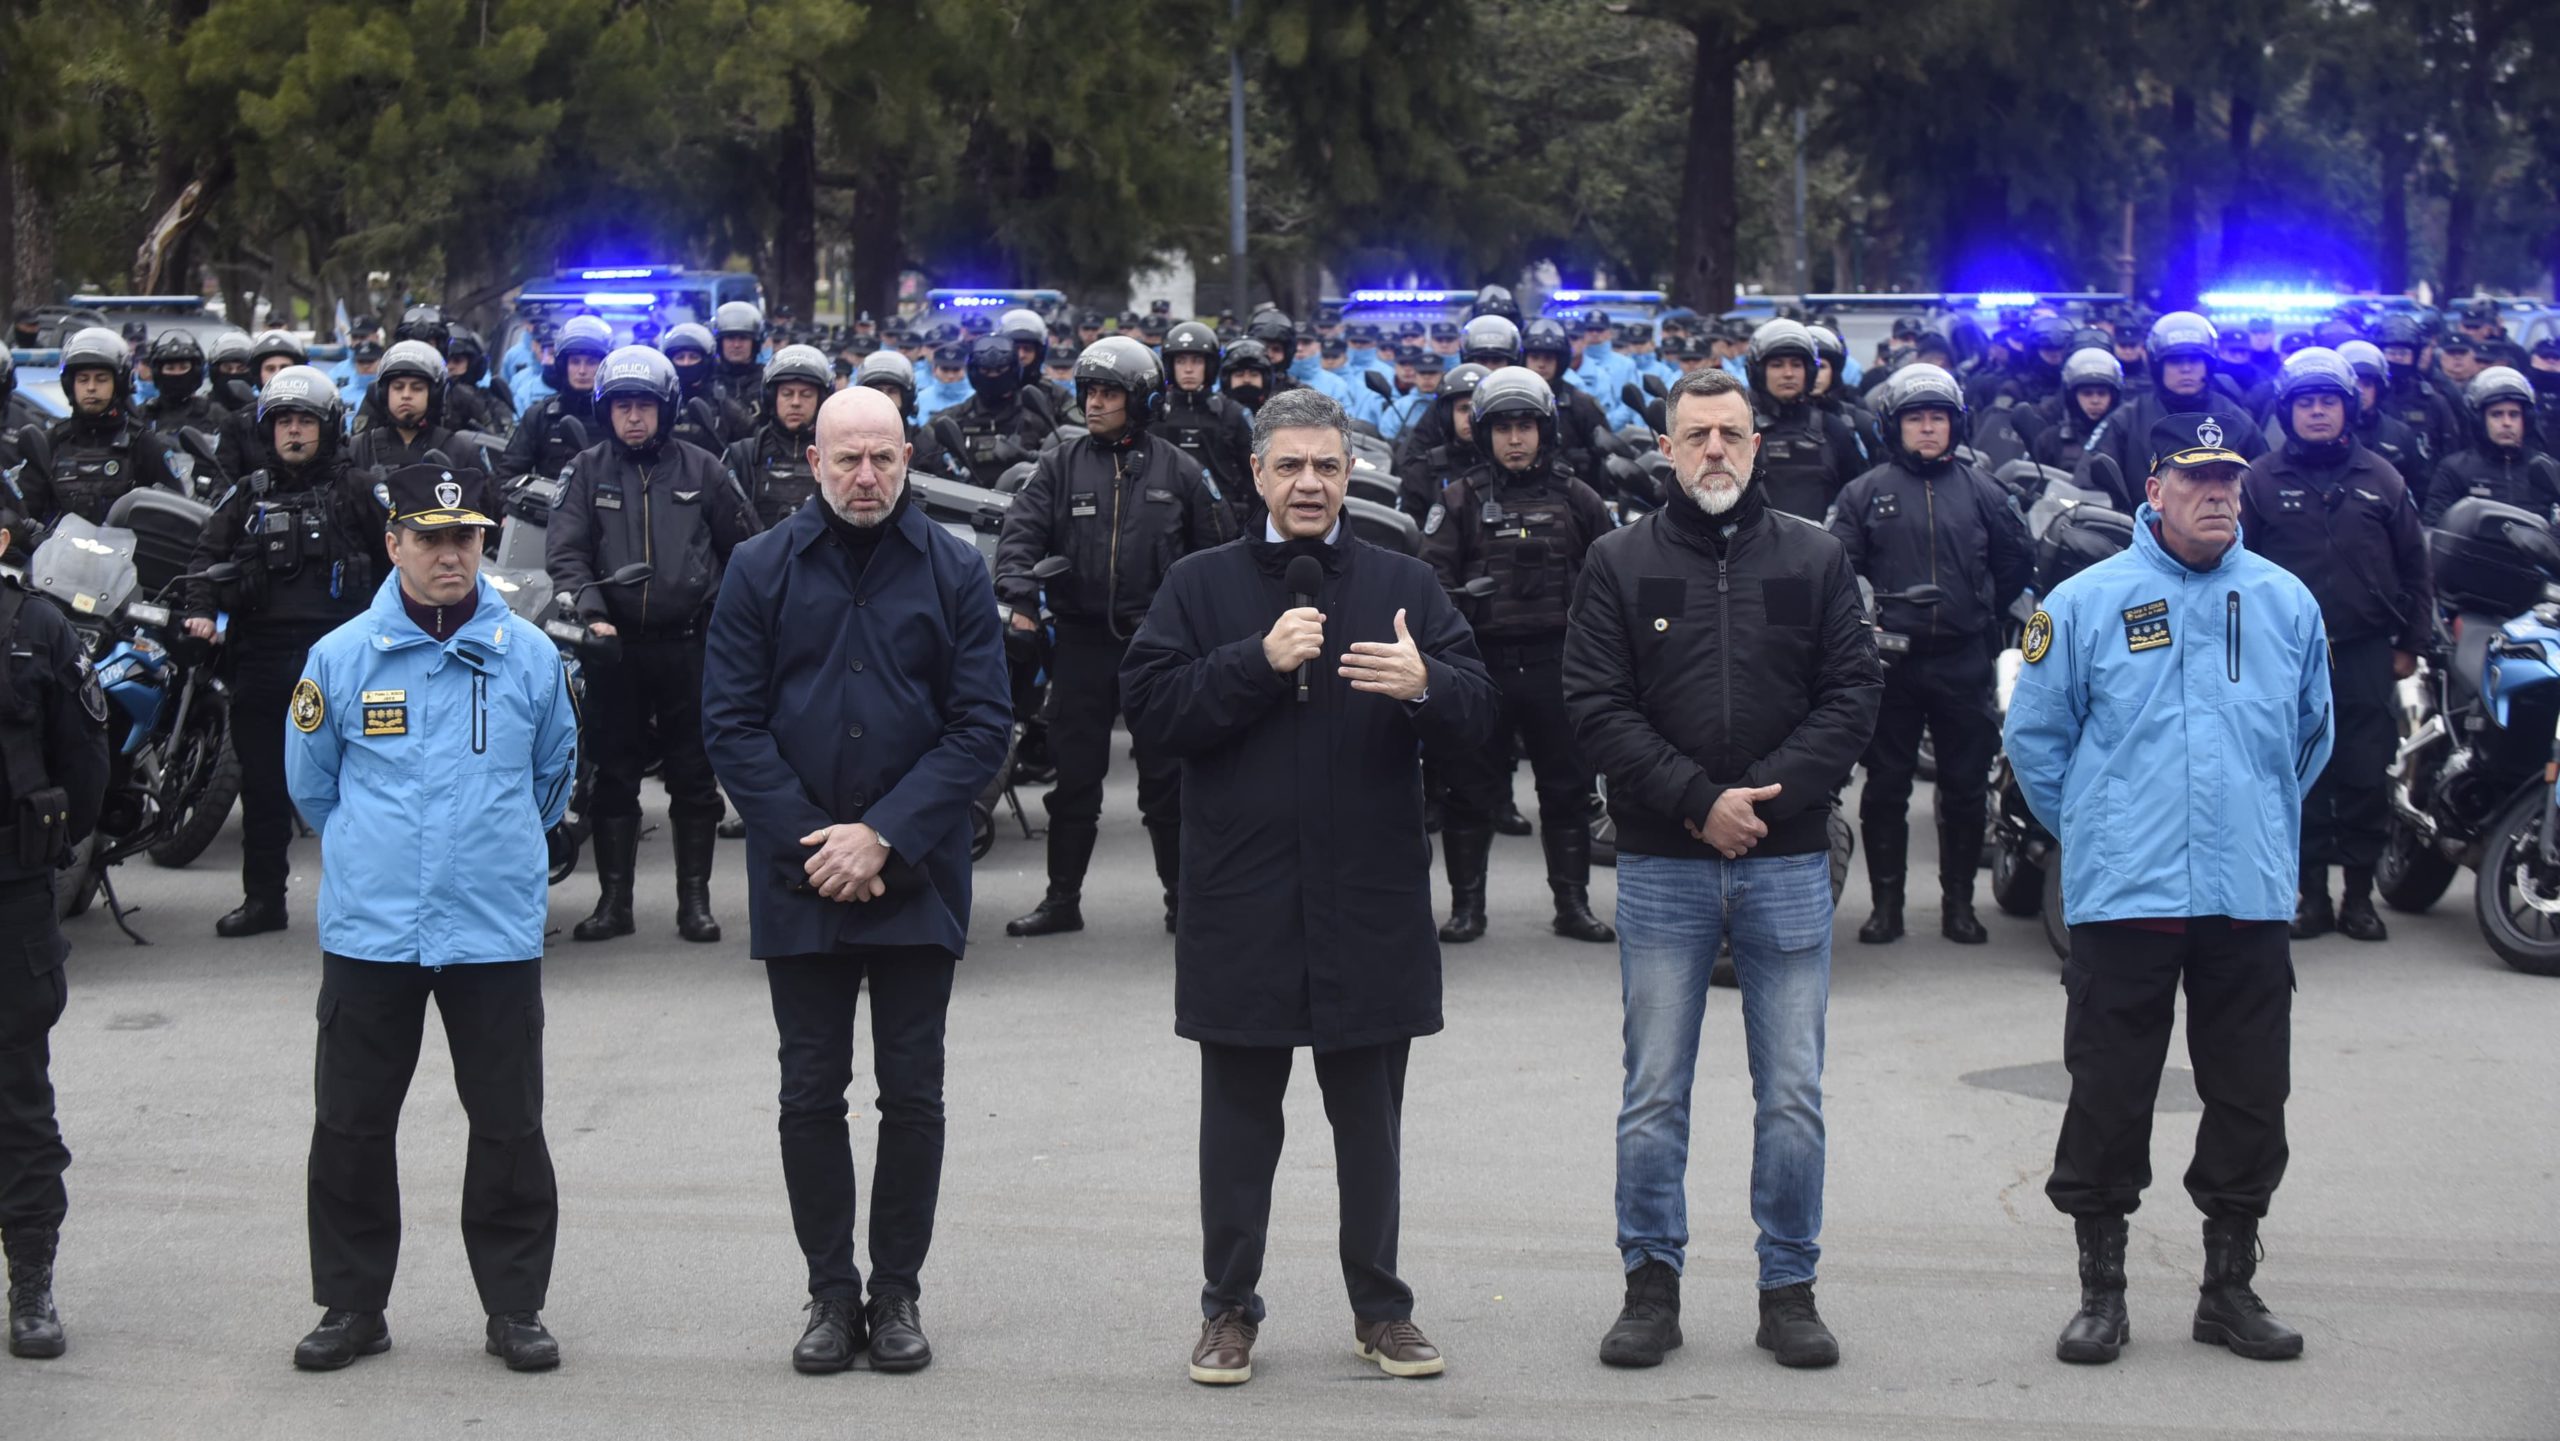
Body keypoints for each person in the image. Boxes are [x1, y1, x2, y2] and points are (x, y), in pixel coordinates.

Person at [1119, 387, 1497, 1387]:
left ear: (1350, 474)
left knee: (1369, 1129)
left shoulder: (1403, 582)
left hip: (1366, 900)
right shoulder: (1200, 587)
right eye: (1288, 466)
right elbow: (1152, 709)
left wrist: (1428, 688)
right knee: (1238, 1129)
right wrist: (1254, 659)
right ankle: (1228, 1310)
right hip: (1242, 904)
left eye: (1326, 466)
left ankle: (1382, 1309)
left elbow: (1481, 719)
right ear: (1255, 475)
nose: (1309, 484)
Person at [1563, 366, 1880, 1373]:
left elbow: (1850, 696)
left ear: (1756, 443)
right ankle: (1649, 1286)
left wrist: (1762, 802)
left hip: (1785, 864)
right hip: (1662, 866)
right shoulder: (1617, 561)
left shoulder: (1815, 557)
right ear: (1665, 447)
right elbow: (1594, 703)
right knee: (1654, 1090)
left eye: (1729, 434)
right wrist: (1697, 802)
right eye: (1694, 434)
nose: (1713, 450)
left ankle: (1788, 1289)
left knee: (1791, 1090)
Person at [2004, 411, 2333, 1367]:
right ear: (2155, 492)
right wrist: (2102, 830)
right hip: (2126, 896)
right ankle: (2101, 1295)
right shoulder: (2082, 602)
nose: (2220, 492)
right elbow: (2036, 738)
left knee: (2249, 1094)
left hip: (2249, 894)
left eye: (2229, 478)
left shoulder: (2285, 602)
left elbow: (2310, 736)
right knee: (2109, 1093)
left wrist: (2256, 817)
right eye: (2197, 480)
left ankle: (2228, 1288)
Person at [702, 386, 1011, 1377]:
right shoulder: (758, 570)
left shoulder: (956, 570)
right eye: (848, 460)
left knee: (913, 1094)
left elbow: (980, 727)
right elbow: (732, 727)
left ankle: (898, 1292)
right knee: (809, 1092)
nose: (867, 477)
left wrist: (881, 836)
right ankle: (830, 1292)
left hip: (916, 873)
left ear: (908, 455)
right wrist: (815, 844)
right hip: (801, 879)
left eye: (883, 457)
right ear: (813, 462)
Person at [280, 463, 576, 1374]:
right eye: (432, 537)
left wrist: (483, 853)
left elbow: (554, 777)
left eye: (467, 537)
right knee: (353, 1124)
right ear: (394, 543)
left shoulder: (528, 654)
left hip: (492, 929)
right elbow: (313, 786)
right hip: (375, 930)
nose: (452, 554)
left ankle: (515, 1306)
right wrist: (384, 857)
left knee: (509, 1124)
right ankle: (352, 1303)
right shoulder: (340, 657)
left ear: (486, 542)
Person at [993, 337, 1229, 937]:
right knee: (1074, 780)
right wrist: (1020, 599)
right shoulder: (1059, 464)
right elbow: (1019, 537)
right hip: (1080, 644)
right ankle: (1061, 900)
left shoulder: (1182, 471)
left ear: (1141, 399)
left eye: (1109, 393)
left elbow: (1219, 558)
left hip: (1159, 651)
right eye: (1089, 392)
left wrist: (1208, 633)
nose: (1095, 404)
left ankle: (1185, 902)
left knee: (1168, 782)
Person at [545, 345, 763, 944]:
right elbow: (566, 553)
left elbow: (749, 550)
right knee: (613, 775)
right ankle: (615, 904)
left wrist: (726, 624)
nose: (633, 417)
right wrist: (591, 614)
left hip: (691, 650)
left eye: (644, 406)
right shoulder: (585, 471)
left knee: (694, 776)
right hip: (613, 651)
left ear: (665, 408)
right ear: (605, 411)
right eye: (621, 407)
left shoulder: (705, 469)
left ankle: (694, 904)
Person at [1830, 362, 2033, 944]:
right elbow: (1842, 569)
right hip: (1889, 664)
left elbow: (2015, 561)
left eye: (1937, 418)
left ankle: (1959, 906)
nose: (1927, 429)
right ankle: (1885, 908)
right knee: (1887, 785)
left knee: (1966, 786)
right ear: (1895, 425)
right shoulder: (1864, 492)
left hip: (1964, 659)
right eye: (1915, 418)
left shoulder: (1985, 492)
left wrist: (1983, 610)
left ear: (1956, 425)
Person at [1418, 366, 1617, 945]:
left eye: (1525, 425)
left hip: (1559, 666)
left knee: (1567, 789)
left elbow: (1613, 578)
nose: (1515, 438)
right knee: (1468, 791)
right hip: (1483, 669)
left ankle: (1573, 906)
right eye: (1502, 427)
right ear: (1483, 434)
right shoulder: (1458, 499)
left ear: (1544, 429)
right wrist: (1460, 600)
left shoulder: (1578, 498)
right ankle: (1467, 909)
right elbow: (1430, 580)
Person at [2238, 348, 2431, 942]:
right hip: (2284, 657)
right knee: (2298, 777)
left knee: (2365, 774)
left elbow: (2416, 569)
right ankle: (2311, 897)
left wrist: (2411, 645)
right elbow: (2234, 571)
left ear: (2348, 409)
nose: (2317, 413)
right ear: (2286, 410)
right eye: (2305, 403)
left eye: (2328, 402)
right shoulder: (2259, 480)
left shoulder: (2383, 478)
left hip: (2366, 651)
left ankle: (2360, 899)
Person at [186, 365, 386, 937]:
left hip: (348, 662)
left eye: (305, 421)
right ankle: (264, 900)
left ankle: (367, 906)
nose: (294, 433)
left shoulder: (361, 489)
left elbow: (402, 560)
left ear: (329, 426)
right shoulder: (247, 493)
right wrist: (201, 610)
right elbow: (204, 557)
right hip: (264, 656)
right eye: (283, 423)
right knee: (264, 784)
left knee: (365, 786)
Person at [0, 504, 110, 1360]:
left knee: (17, 1102)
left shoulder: (38, 628)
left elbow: (85, 761)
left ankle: (30, 1282)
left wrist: (48, 853)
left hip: (9, 895)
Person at [2077, 312, 2266, 512]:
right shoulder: (2128, 418)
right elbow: (2088, 481)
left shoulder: (2235, 420)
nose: (2186, 369)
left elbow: (2262, 485)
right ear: (2158, 367)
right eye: (2175, 361)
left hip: (2221, 536)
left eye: (2194, 360)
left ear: (2207, 366)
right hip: (2141, 535)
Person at [19, 328, 187, 529]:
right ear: (69, 384)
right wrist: (31, 534)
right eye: (83, 379)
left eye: (101, 379)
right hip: (58, 558)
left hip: (128, 559)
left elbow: (175, 516)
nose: (91, 387)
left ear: (119, 383)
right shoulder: (50, 443)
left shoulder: (143, 443)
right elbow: (23, 512)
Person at [1746, 320, 1866, 522]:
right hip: (1755, 548)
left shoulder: (1835, 429)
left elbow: (1857, 501)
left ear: (1809, 371)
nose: (1788, 373)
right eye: (1777, 365)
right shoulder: (1741, 428)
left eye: (1796, 364)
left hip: (1822, 548)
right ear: (1759, 372)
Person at [2422, 366, 2560, 526]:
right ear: (2480, 420)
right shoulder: (2453, 470)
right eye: (2497, 414)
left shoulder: (2549, 469)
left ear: (2526, 420)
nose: (2507, 423)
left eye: (2514, 414)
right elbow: (2434, 528)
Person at [347, 340, 497, 482]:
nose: (406, 395)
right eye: (398, 387)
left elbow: (483, 503)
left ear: (434, 395)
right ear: (384, 393)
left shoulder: (459, 450)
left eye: (417, 388)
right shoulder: (360, 448)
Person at [1156, 321, 1257, 527]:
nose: (1189, 370)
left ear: (1209, 365)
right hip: (1165, 519)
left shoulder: (1232, 413)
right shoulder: (1156, 413)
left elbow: (1255, 473)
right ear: (1170, 365)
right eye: (1181, 361)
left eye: (1197, 361)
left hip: (1222, 520)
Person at [725, 344, 835, 529]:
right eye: (787, 394)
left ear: (821, 400)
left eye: (806, 395)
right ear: (771, 398)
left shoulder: (838, 453)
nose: (795, 403)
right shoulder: (743, 455)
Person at [928, 336, 1057, 491]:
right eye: (986, 371)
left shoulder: (1036, 416)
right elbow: (920, 465)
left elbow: (1061, 464)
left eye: (1000, 370)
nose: (994, 376)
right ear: (975, 371)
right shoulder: (952, 419)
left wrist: (1026, 456)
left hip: (1025, 504)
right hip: (964, 504)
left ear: (1014, 369)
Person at [498, 315, 614, 483]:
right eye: (575, 362)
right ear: (563, 365)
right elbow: (507, 475)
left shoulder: (616, 416)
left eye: (591, 362)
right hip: (549, 506)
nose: (582, 370)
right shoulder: (540, 415)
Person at [2030, 348, 2124, 473]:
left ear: (2113, 397)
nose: (2095, 400)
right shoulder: (2050, 440)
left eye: (2102, 393)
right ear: (2073, 397)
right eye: (2087, 393)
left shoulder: (2125, 440)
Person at [137, 329, 229, 439]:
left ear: (195, 371)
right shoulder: (143, 414)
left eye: (184, 367)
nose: (177, 373)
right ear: (158, 372)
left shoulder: (214, 414)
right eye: (170, 368)